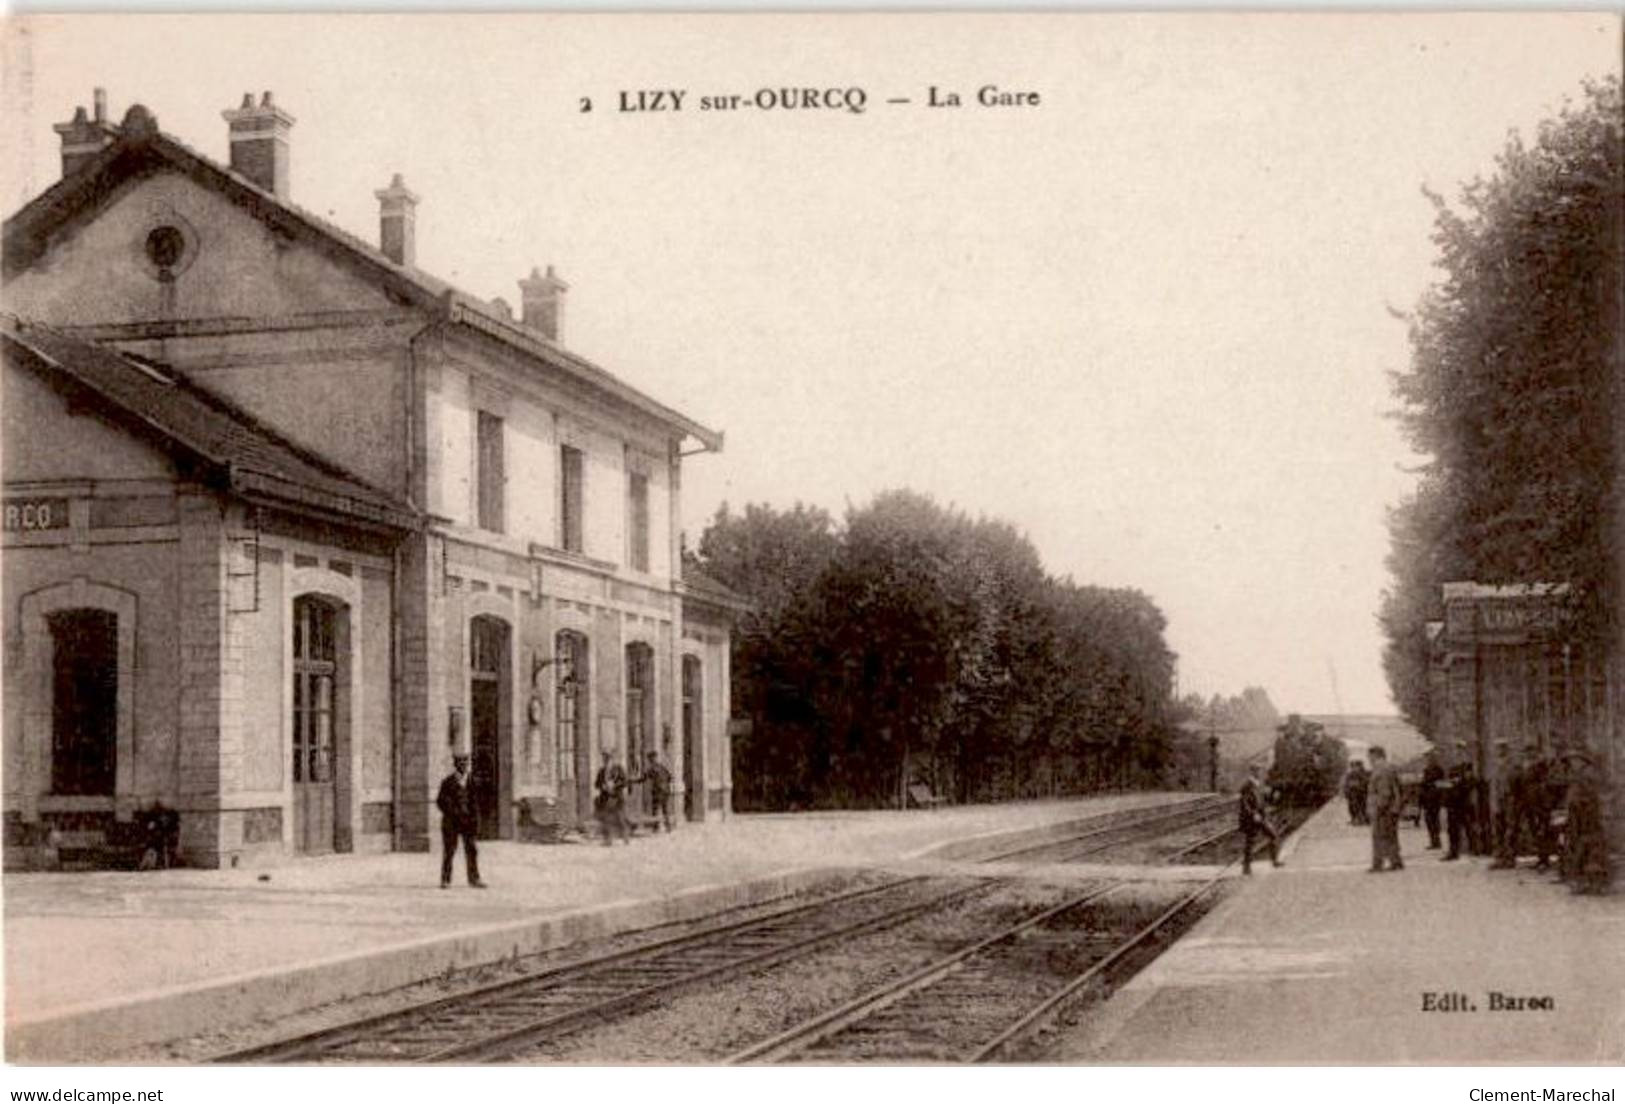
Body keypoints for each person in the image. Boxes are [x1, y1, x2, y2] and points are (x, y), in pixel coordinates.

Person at [1559, 748, 1610, 895]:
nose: (1572, 763)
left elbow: (1594, 796)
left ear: (1582, 760)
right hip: (1578, 817)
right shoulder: (1578, 775)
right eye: (1570, 761)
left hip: (1588, 817)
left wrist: (1582, 805)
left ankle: (1595, 883)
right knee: (1579, 848)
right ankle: (1584, 882)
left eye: (1574, 760)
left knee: (1591, 849)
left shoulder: (1588, 774)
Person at [436, 752, 486, 888]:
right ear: (455, 765)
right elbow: (440, 802)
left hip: (468, 823)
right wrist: (453, 812)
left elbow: (476, 804)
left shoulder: (473, 782)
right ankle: (445, 880)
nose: (463, 766)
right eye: (460, 763)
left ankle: (474, 879)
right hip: (452, 823)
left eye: (466, 763)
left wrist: (475, 821)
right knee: (449, 851)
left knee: (472, 850)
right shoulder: (447, 783)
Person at [1238, 763, 1282, 875]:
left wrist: (1272, 796)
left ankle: (1274, 861)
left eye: (1260, 771)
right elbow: (1244, 803)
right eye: (1257, 771)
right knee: (1250, 842)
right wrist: (1253, 814)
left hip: (1261, 817)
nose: (1259, 773)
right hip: (1251, 818)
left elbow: (1262, 800)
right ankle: (1246, 868)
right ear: (1252, 772)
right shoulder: (1247, 785)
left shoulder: (1258, 784)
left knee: (1273, 835)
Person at [1518, 744, 1557, 870]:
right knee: (1536, 830)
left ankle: (1544, 858)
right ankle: (1541, 857)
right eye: (1527, 753)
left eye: (1530, 752)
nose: (1528, 755)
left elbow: (1545, 783)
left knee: (1543, 830)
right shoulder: (1527, 767)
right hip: (1530, 802)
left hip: (1541, 802)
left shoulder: (1540, 766)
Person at [1366, 745, 1404, 872]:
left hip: (1384, 809)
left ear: (1376, 756)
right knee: (1391, 835)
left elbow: (1385, 793)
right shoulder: (1388, 768)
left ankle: (1378, 864)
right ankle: (1396, 861)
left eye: (1370, 756)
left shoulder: (1381, 770)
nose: (1369, 759)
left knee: (1379, 836)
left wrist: (1379, 809)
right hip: (1391, 808)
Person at [1442, 740, 1479, 860]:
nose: (1457, 752)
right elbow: (1449, 781)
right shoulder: (1452, 766)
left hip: (1463, 801)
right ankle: (1453, 851)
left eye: (1460, 749)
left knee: (1468, 826)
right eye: (1456, 749)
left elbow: (1471, 782)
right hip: (1452, 801)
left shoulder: (1467, 765)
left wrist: (1460, 783)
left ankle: (1474, 849)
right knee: (1452, 828)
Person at [1490, 739, 1522, 870]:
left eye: (1502, 748)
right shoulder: (1495, 765)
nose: (1500, 751)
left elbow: (1515, 783)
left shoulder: (1513, 765)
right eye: (1498, 748)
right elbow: (1494, 785)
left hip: (1510, 800)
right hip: (1498, 800)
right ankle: (1500, 856)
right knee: (1498, 829)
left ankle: (1509, 857)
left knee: (1510, 829)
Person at [594, 749, 632, 846]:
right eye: (604, 759)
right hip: (606, 797)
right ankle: (608, 840)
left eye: (607, 758)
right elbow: (596, 784)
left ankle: (625, 837)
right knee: (606, 818)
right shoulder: (601, 771)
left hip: (617, 796)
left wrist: (614, 785)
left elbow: (625, 782)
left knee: (620, 818)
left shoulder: (619, 769)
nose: (606, 761)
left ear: (611, 759)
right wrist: (602, 786)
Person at [637, 749, 675, 833]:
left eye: (650, 759)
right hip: (666, 790)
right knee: (665, 809)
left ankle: (656, 827)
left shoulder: (652, 768)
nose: (650, 760)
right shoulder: (662, 767)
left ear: (651, 759)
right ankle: (668, 827)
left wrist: (634, 780)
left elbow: (643, 778)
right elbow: (670, 777)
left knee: (655, 808)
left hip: (658, 791)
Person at [1419, 748, 1445, 850]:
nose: (1428, 760)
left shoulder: (1438, 770)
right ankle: (1433, 841)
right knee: (1429, 821)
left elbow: (1439, 785)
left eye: (1429, 758)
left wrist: (1440, 798)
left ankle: (1436, 841)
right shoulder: (1426, 770)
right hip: (1427, 800)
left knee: (1434, 821)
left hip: (1434, 799)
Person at [1343, 761, 1369, 826]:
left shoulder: (1364, 774)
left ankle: (1363, 819)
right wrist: (1347, 792)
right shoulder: (1349, 775)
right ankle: (1354, 819)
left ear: (1360, 766)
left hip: (1362, 794)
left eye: (1356, 766)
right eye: (1353, 766)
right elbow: (1346, 784)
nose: (1355, 768)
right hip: (1352, 795)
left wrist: (1357, 785)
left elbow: (1366, 783)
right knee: (1352, 807)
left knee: (1363, 807)